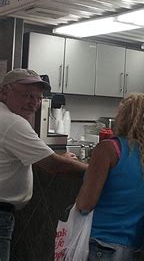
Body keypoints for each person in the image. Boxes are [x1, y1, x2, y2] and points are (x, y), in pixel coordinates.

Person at [0, 69, 87, 261]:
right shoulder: (13, 123)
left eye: (38, 98)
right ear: (4, 92)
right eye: (27, 95)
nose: (34, 103)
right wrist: (95, 169)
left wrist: (56, 156)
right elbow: (54, 166)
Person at [75, 93, 144, 260]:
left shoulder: (108, 149)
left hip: (100, 243)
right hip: (133, 246)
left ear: (122, 117)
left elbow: (85, 204)